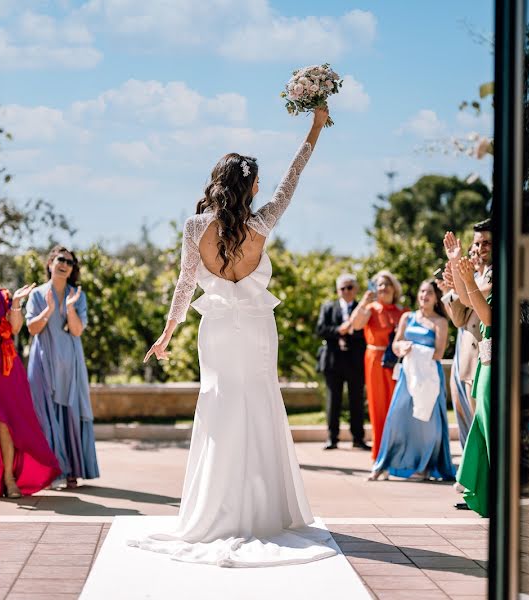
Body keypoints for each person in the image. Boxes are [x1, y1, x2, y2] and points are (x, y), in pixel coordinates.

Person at [131, 107, 335, 567]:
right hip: (258, 325)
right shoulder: (262, 224)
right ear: (250, 186)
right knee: (260, 399)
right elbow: (293, 177)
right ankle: (266, 509)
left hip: (217, 327)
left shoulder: (193, 227)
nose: (263, 187)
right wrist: (315, 127)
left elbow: (185, 284)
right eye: (257, 182)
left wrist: (167, 334)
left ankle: (215, 508)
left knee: (220, 401)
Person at [368, 280, 456, 482]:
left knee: (427, 425)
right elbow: (396, 343)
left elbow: (439, 353)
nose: (425, 295)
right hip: (408, 375)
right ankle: (385, 465)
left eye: (430, 293)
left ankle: (425, 466)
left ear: (436, 298)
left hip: (429, 377)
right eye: (422, 291)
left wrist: (415, 350)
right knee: (397, 419)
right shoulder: (407, 317)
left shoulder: (440, 322)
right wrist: (402, 348)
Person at [26, 246, 99, 490]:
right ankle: (50, 471)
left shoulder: (77, 295)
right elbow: (32, 329)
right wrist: (48, 310)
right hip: (43, 364)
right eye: (60, 259)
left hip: (71, 365)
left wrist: (69, 307)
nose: (65, 264)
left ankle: (72, 471)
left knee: (70, 415)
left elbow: (77, 331)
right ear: (49, 263)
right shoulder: (36, 294)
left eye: (70, 261)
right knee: (43, 416)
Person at [0, 267, 60, 498]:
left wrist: (16, 303)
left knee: (4, 422)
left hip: (4, 365)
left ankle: (9, 478)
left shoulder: (4, 295)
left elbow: (16, 328)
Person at [446, 227, 493, 517]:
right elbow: (466, 300)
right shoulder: (479, 274)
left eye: (487, 242)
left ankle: (490, 492)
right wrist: (455, 261)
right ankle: (481, 491)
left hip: (492, 359)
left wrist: (465, 277)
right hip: (480, 362)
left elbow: (479, 300)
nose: (481, 248)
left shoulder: (501, 272)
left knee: (489, 432)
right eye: (479, 243)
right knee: (479, 429)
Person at [349, 270, 404, 459]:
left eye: (387, 284)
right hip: (374, 360)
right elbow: (354, 325)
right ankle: (380, 453)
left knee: (397, 406)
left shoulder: (403, 312)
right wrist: (364, 302)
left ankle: (398, 452)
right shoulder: (370, 308)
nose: (383, 287)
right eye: (380, 284)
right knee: (378, 405)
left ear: (394, 288)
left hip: (396, 363)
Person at [316, 274, 370, 451]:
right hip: (333, 361)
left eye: (350, 287)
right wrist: (339, 330)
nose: (346, 291)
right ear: (338, 290)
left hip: (355, 360)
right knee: (333, 401)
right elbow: (321, 330)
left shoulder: (363, 308)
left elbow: (366, 333)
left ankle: (358, 438)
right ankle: (332, 438)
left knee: (356, 400)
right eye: (342, 288)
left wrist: (352, 329)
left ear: (356, 289)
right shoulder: (328, 307)